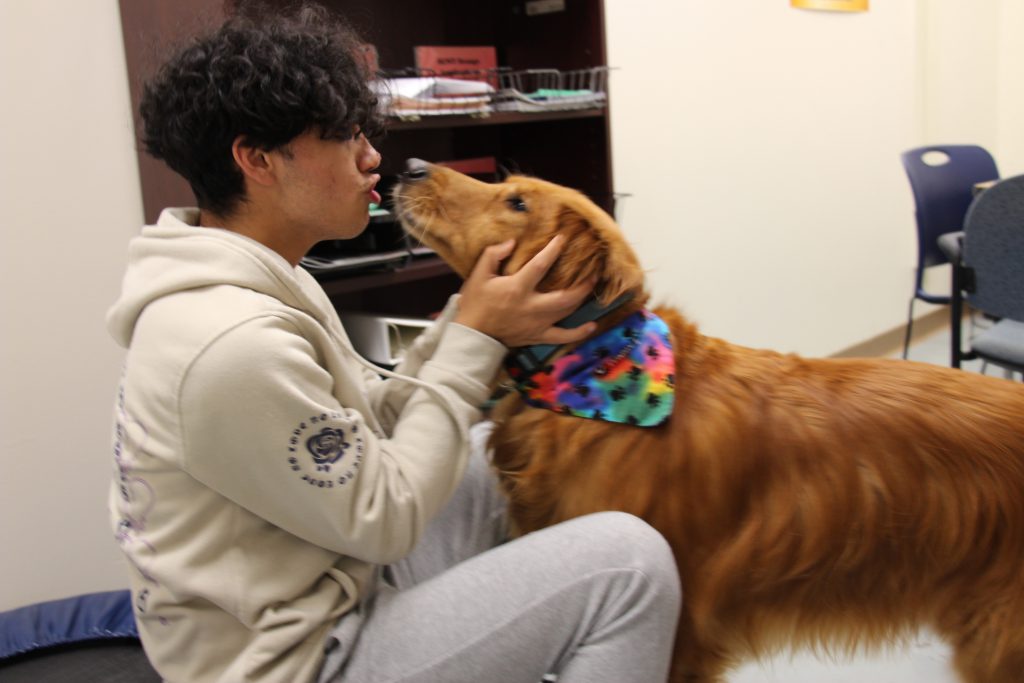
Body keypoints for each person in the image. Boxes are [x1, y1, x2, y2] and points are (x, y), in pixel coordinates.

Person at [107, 6, 681, 682]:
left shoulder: (256, 276)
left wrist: (467, 318)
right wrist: (476, 335)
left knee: (485, 452)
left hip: (332, 578)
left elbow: (374, 418)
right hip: (300, 660)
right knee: (629, 562)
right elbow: (387, 518)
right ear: (257, 160)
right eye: (345, 136)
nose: (372, 155)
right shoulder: (230, 344)